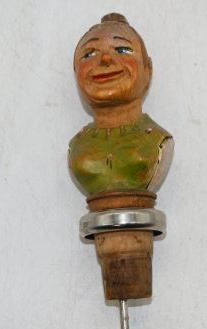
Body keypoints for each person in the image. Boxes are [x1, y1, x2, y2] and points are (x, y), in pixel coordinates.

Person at [68, 13, 174, 195]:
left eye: (122, 50)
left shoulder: (158, 140)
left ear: (148, 70)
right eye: (89, 54)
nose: (105, 58)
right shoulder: (77, 145)